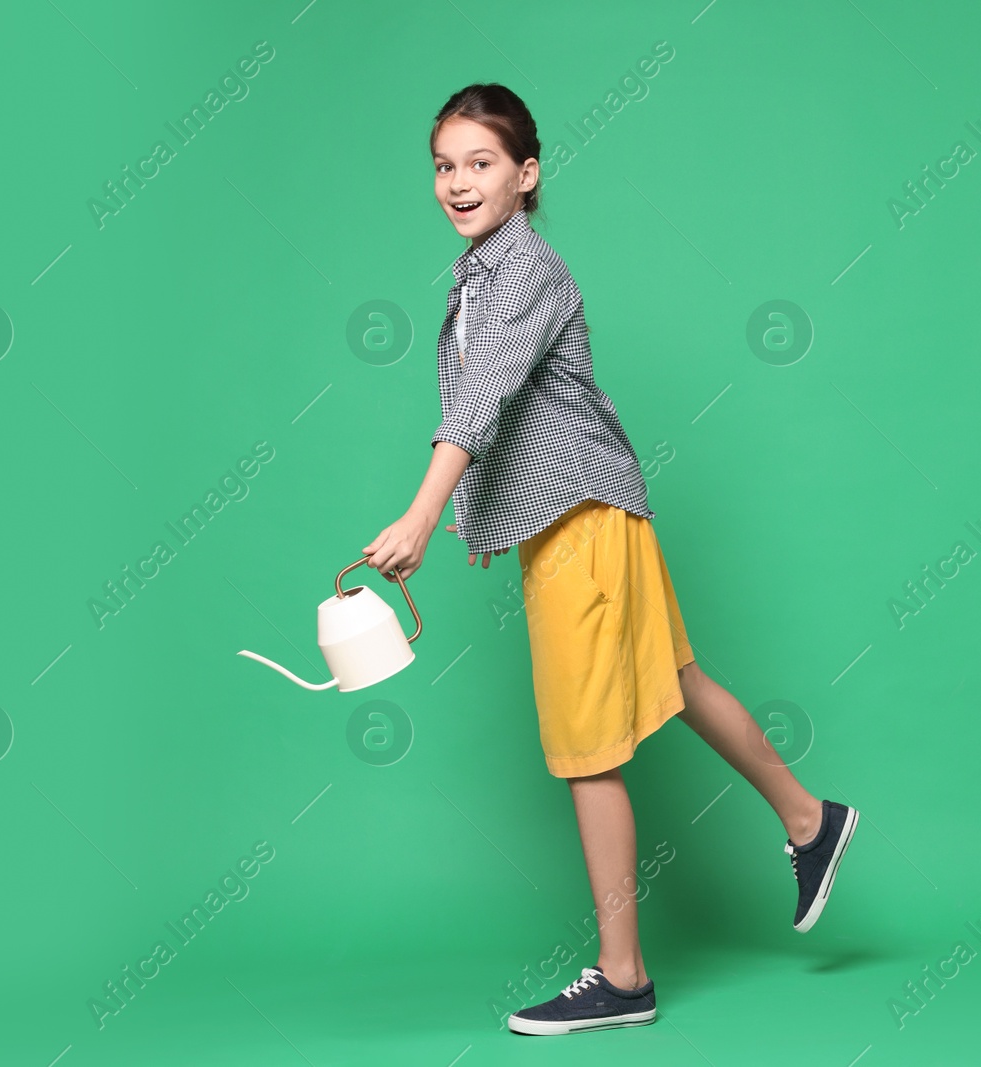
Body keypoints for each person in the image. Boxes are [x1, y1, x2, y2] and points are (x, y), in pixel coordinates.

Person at [362, 82, 861, 1037]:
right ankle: (810, 818)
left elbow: (484, 401)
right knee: (675, 681)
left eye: (481, 163)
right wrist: (481, 515)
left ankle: (623, 973)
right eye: (444, 165)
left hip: (585, 526)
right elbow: (516, 415)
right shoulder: (483, 275)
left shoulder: (529, 273)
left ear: (527, 172)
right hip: (586, 516)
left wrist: (425, 515)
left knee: (589, 749)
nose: (458, 183)